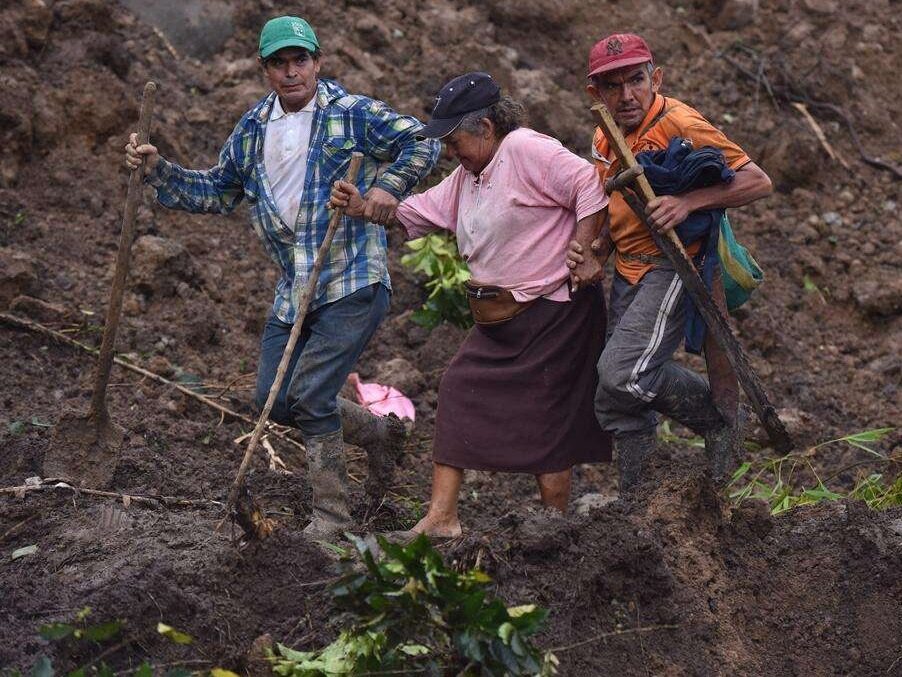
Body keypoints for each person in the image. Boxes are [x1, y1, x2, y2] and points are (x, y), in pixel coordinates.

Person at [124, 15, 441, 538]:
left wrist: (386, 188)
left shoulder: (352, 112)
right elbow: (218, 191)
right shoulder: (252, 130)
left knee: (311, 396)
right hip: (297, 287)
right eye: (279, 63)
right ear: (265, 70)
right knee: (271, 395)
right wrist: (159, 170)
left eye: (300, 60)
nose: (291, 72)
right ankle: (380, 436)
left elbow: (421, 142)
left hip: (352, 278)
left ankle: (332, 521)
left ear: (317, 62)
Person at [330, 72, 612, 538]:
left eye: (454, 139)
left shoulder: (524, 149)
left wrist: (583, 251)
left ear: (484, 127)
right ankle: (442, 518)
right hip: (499, 320)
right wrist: (365, 206)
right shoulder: (470, 175)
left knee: (548, 420)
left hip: (553, 311)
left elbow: (589, 185)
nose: (449, 151)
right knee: (460, 387)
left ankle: (554, 528)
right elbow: (415, 212)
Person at [567, 33, 773, 496]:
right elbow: (610, 201)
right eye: (613, 86)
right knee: (615, 400)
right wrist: (597, 248)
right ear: (594, 94)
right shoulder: (605, 134)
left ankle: (717, 417)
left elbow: (757, 180)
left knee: (622, 375)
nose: (627, 96)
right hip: (628, 270)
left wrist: (686, 202)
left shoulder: (679, 121)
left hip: (675, 265)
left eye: (636, 81)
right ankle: (639, 506)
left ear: (655, 78)